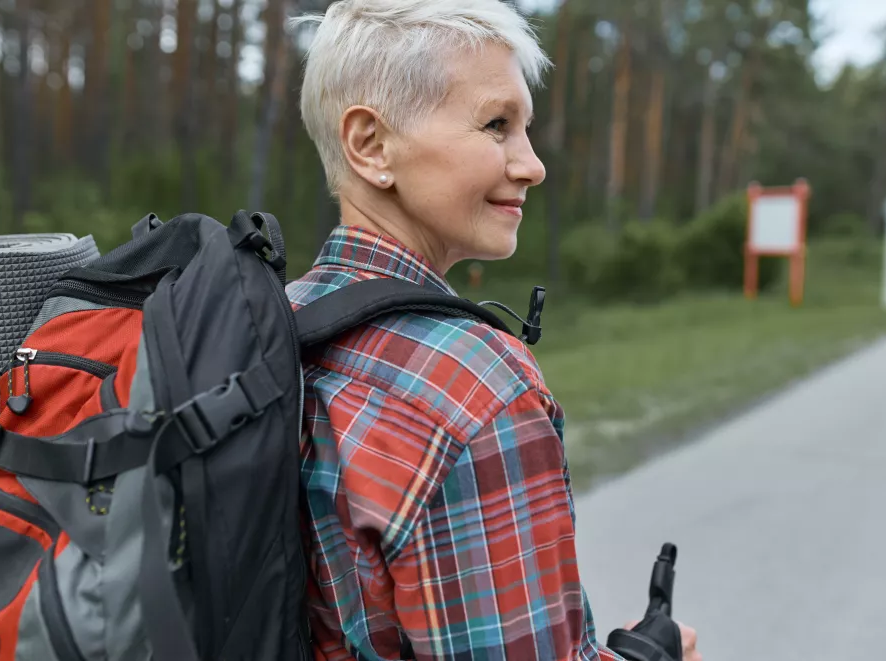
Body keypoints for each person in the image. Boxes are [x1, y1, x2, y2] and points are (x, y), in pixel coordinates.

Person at [285, 1, 701, 659]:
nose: (531, 164)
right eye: (496, 125)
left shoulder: (280, 321)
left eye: (525, 128)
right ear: (370, 144)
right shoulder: (475, 390)